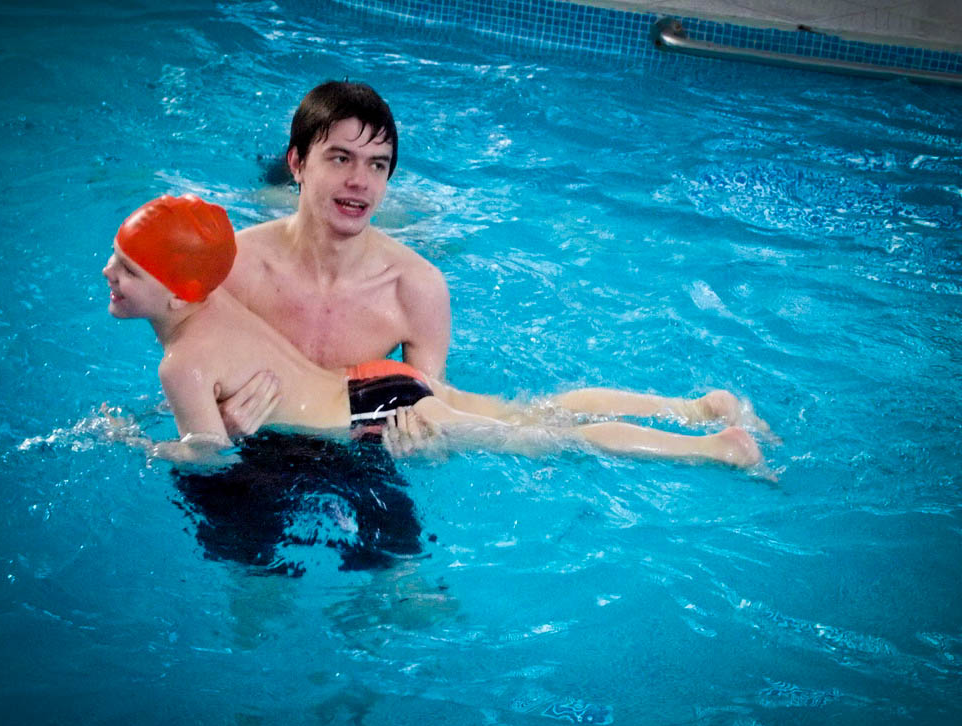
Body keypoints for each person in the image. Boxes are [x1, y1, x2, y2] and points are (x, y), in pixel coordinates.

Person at [104, 194, 765, 469]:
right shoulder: (215, 298)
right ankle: (694, 407)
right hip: (378, 380)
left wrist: (135, 443)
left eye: (128, 268)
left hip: (371, 413)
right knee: (532, 410)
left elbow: (209, 456)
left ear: (177, 291)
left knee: (543, 440)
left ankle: (717, 448)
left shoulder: (181, 362)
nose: (109, 273)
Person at [217, 80, 451, 438]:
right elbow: (184, 387)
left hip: (362, 452)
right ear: (296, 164)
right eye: (341, 159)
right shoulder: (234, 267)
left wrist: (422, 443)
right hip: (252, 443)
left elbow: (437, 412)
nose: (360, 181)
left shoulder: (417, 289)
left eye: (377, 165)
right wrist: (214, 426)